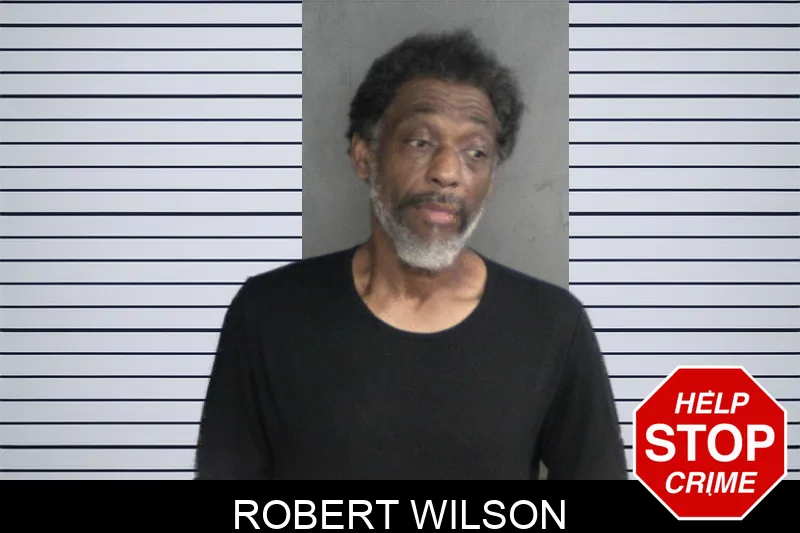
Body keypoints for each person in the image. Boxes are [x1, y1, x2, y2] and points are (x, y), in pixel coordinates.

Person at [194, 29, 628, 480]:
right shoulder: (268, 314)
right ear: (365, 157)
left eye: (476, 152)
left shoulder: (552, 327)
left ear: (490, 182)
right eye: (421, 142)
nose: (447, 172)